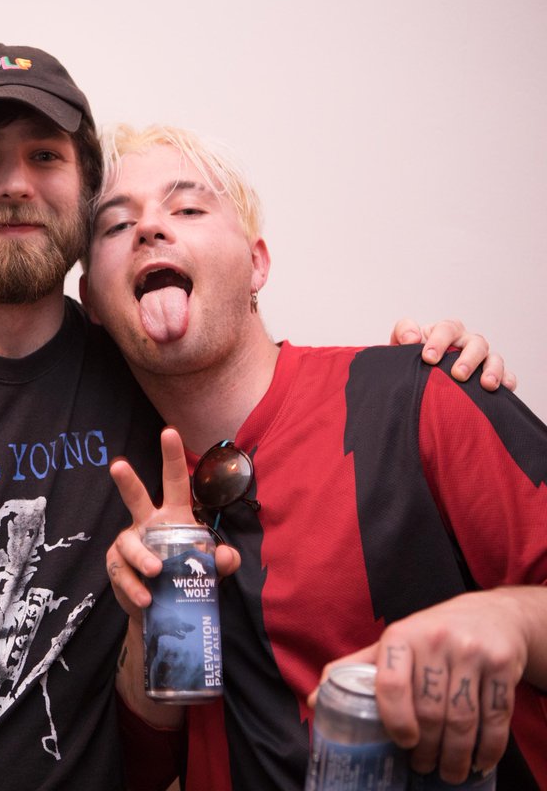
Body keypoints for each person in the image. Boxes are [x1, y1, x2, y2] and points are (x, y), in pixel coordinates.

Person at [0, 44, 509, 790]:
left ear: (82, 194)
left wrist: (431, 367)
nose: (15, 182)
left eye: (45, 156)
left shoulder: (149, 377)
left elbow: (250, 364)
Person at [86, 124, 547, 789]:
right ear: (92, 305)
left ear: (257, 264)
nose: (150, 229)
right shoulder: (117, 495)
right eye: (116, 225)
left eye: (186, 208)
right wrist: (147, 626)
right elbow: (138, 770)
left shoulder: (419, 398)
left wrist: (512, 618)